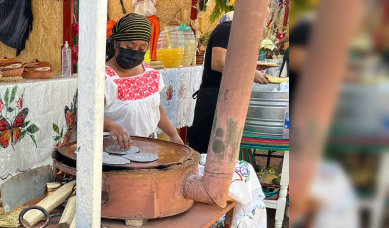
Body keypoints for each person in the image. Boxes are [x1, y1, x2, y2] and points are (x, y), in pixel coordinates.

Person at [187, 11, 270, 154]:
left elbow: (232, 63)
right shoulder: (227, 29)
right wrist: (250, 73)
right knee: (202, 151)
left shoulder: (237, 34)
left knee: (220, 152)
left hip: (226, 97)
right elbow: (218, 63)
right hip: (214, 97)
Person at [104, 13, 183, 149]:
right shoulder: (104, 78)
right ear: (116, 43)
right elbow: (89, 117)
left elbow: (155, 108)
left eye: (141, 48)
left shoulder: (150, 73)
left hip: (148, 149)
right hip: (114, 151)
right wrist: (111, 126)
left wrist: (173, 134)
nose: (135, 52)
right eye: (129, 47)